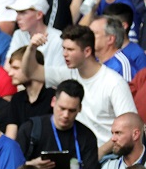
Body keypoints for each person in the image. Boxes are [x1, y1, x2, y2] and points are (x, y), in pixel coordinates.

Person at [20, 26, 137, 156]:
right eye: (63, 48)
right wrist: (31, 47)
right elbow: (30, 72)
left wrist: (99, 153)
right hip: (74, 153)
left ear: (87, 51)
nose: (64, 54)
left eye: (70, 49)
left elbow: (130, 125)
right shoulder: (68, 74)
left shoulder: (114, 83)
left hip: (106, 156)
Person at [5, 0, 66, 68]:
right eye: (17, 13)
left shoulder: (58, 39)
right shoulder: (18, 34)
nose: (17, 18)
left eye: (23, 13)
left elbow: (58, 75)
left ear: (39, 15)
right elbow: (8, 67)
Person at [5, 46, 55, 140]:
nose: (10, 73)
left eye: (16, 68)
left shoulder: (54, 97)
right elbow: (10, 139)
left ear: (32, 68)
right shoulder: (17, 99)